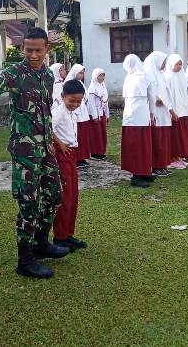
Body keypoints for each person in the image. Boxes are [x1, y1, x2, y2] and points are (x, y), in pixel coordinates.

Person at [0, 26, 69, 280]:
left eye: (38, 50)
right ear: (22, 49)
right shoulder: (16, 73)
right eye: (28, 50)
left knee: (54, 194)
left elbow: (46, 113)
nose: (32, 55)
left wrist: (53, 139)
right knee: (28, 201)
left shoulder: (48, 78)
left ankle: (41, 242)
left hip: (45, 147)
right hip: (24, 150)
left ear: (46, 50)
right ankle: (25, 258)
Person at [51, 79, 88, 252]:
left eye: (78, 101)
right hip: (62, 156)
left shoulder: (72, 113)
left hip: (72, 155)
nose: (75, 104)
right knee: (64, 197)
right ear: (62, 96)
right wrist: (59, 144)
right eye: (71, 100)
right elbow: (47, 128)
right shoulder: (58, 112)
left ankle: (68, 234)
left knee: (73, 196)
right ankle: (60, 237)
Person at [121, 54, 154, 188]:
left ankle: (144, 171)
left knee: (143, 146)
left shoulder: (142, 76)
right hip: (132, 118)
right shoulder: (130, 77)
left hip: (139, 115)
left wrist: (151, 113)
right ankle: (136, 176)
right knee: (136, 147)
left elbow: (150, 95)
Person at [143, 52, 175, 177]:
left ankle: (163, 164)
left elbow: (166, 92)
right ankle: (156, 166)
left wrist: (167, 104)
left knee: (164, 139)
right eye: (162, 61)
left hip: (164, 110)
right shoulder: (148, 74)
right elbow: (149, 92)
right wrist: (157, 100)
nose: (164, 64)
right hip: (154, 111)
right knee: (157, 140)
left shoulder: (161, 74)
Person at [163, 55, 188, 170]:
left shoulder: (182, 75)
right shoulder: (168, 76)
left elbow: (184, 92)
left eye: (180, 64)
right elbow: (167, 96)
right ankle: (172, 158)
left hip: (182, 109)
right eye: (176, 64)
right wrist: (171, 111)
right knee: (174, 135)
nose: (179, 66)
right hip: (174, 110)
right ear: (171, 64)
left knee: (181, 135)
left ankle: (178, 157)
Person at [66, 64, 92, 169]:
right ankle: (77, 158)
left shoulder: (80, 83)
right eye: (80, 72)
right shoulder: (69, 83)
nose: (81, 75)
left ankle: (82, 157)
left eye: (83, 73)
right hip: (75, 113)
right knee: (77, 136)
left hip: (83, 113)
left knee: (83, 137)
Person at [86, 68, 109, 161]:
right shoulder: (92, 88)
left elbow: (106, 101)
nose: (102, 77)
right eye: (100, 75)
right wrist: (94, 116)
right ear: (95, 76)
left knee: (102, 132)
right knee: (96, 133)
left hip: (102, 113)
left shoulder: (103, 86)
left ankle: (101, 151)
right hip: (95, 114)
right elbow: (91, 103)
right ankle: (95, 152)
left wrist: (107, 114)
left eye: (103, 75)